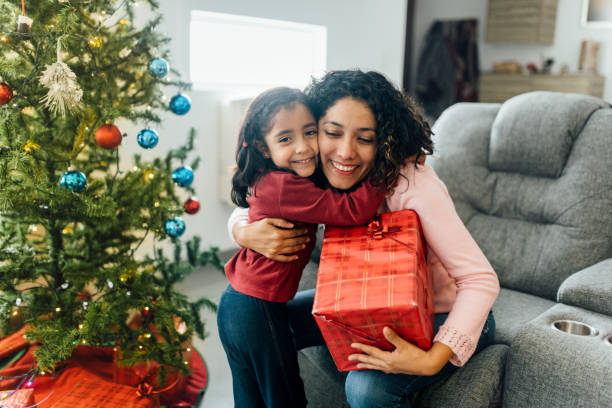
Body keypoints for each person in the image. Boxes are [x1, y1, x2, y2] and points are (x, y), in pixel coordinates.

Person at [228, 70, 500, 407]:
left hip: (441, 313)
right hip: (371, 302)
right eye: (331, 133)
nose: (345, 152)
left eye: (365, 138)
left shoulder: (410, 184)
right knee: (266, 329)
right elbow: (258, 198)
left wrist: (432, 359)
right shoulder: (317, 168)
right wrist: (242, 230)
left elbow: (480, 280)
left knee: (365, 388)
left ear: (384, 139)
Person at [218, 86, 386, 408]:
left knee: (250, 399)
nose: (304, 147)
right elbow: (351, 210)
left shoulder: (276, 176)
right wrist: (383, 171)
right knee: (286, 398)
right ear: (262, 147)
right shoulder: (284, 187)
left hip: (238, 305)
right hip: (257, 310)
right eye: (285, 139)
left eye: (310, 132)